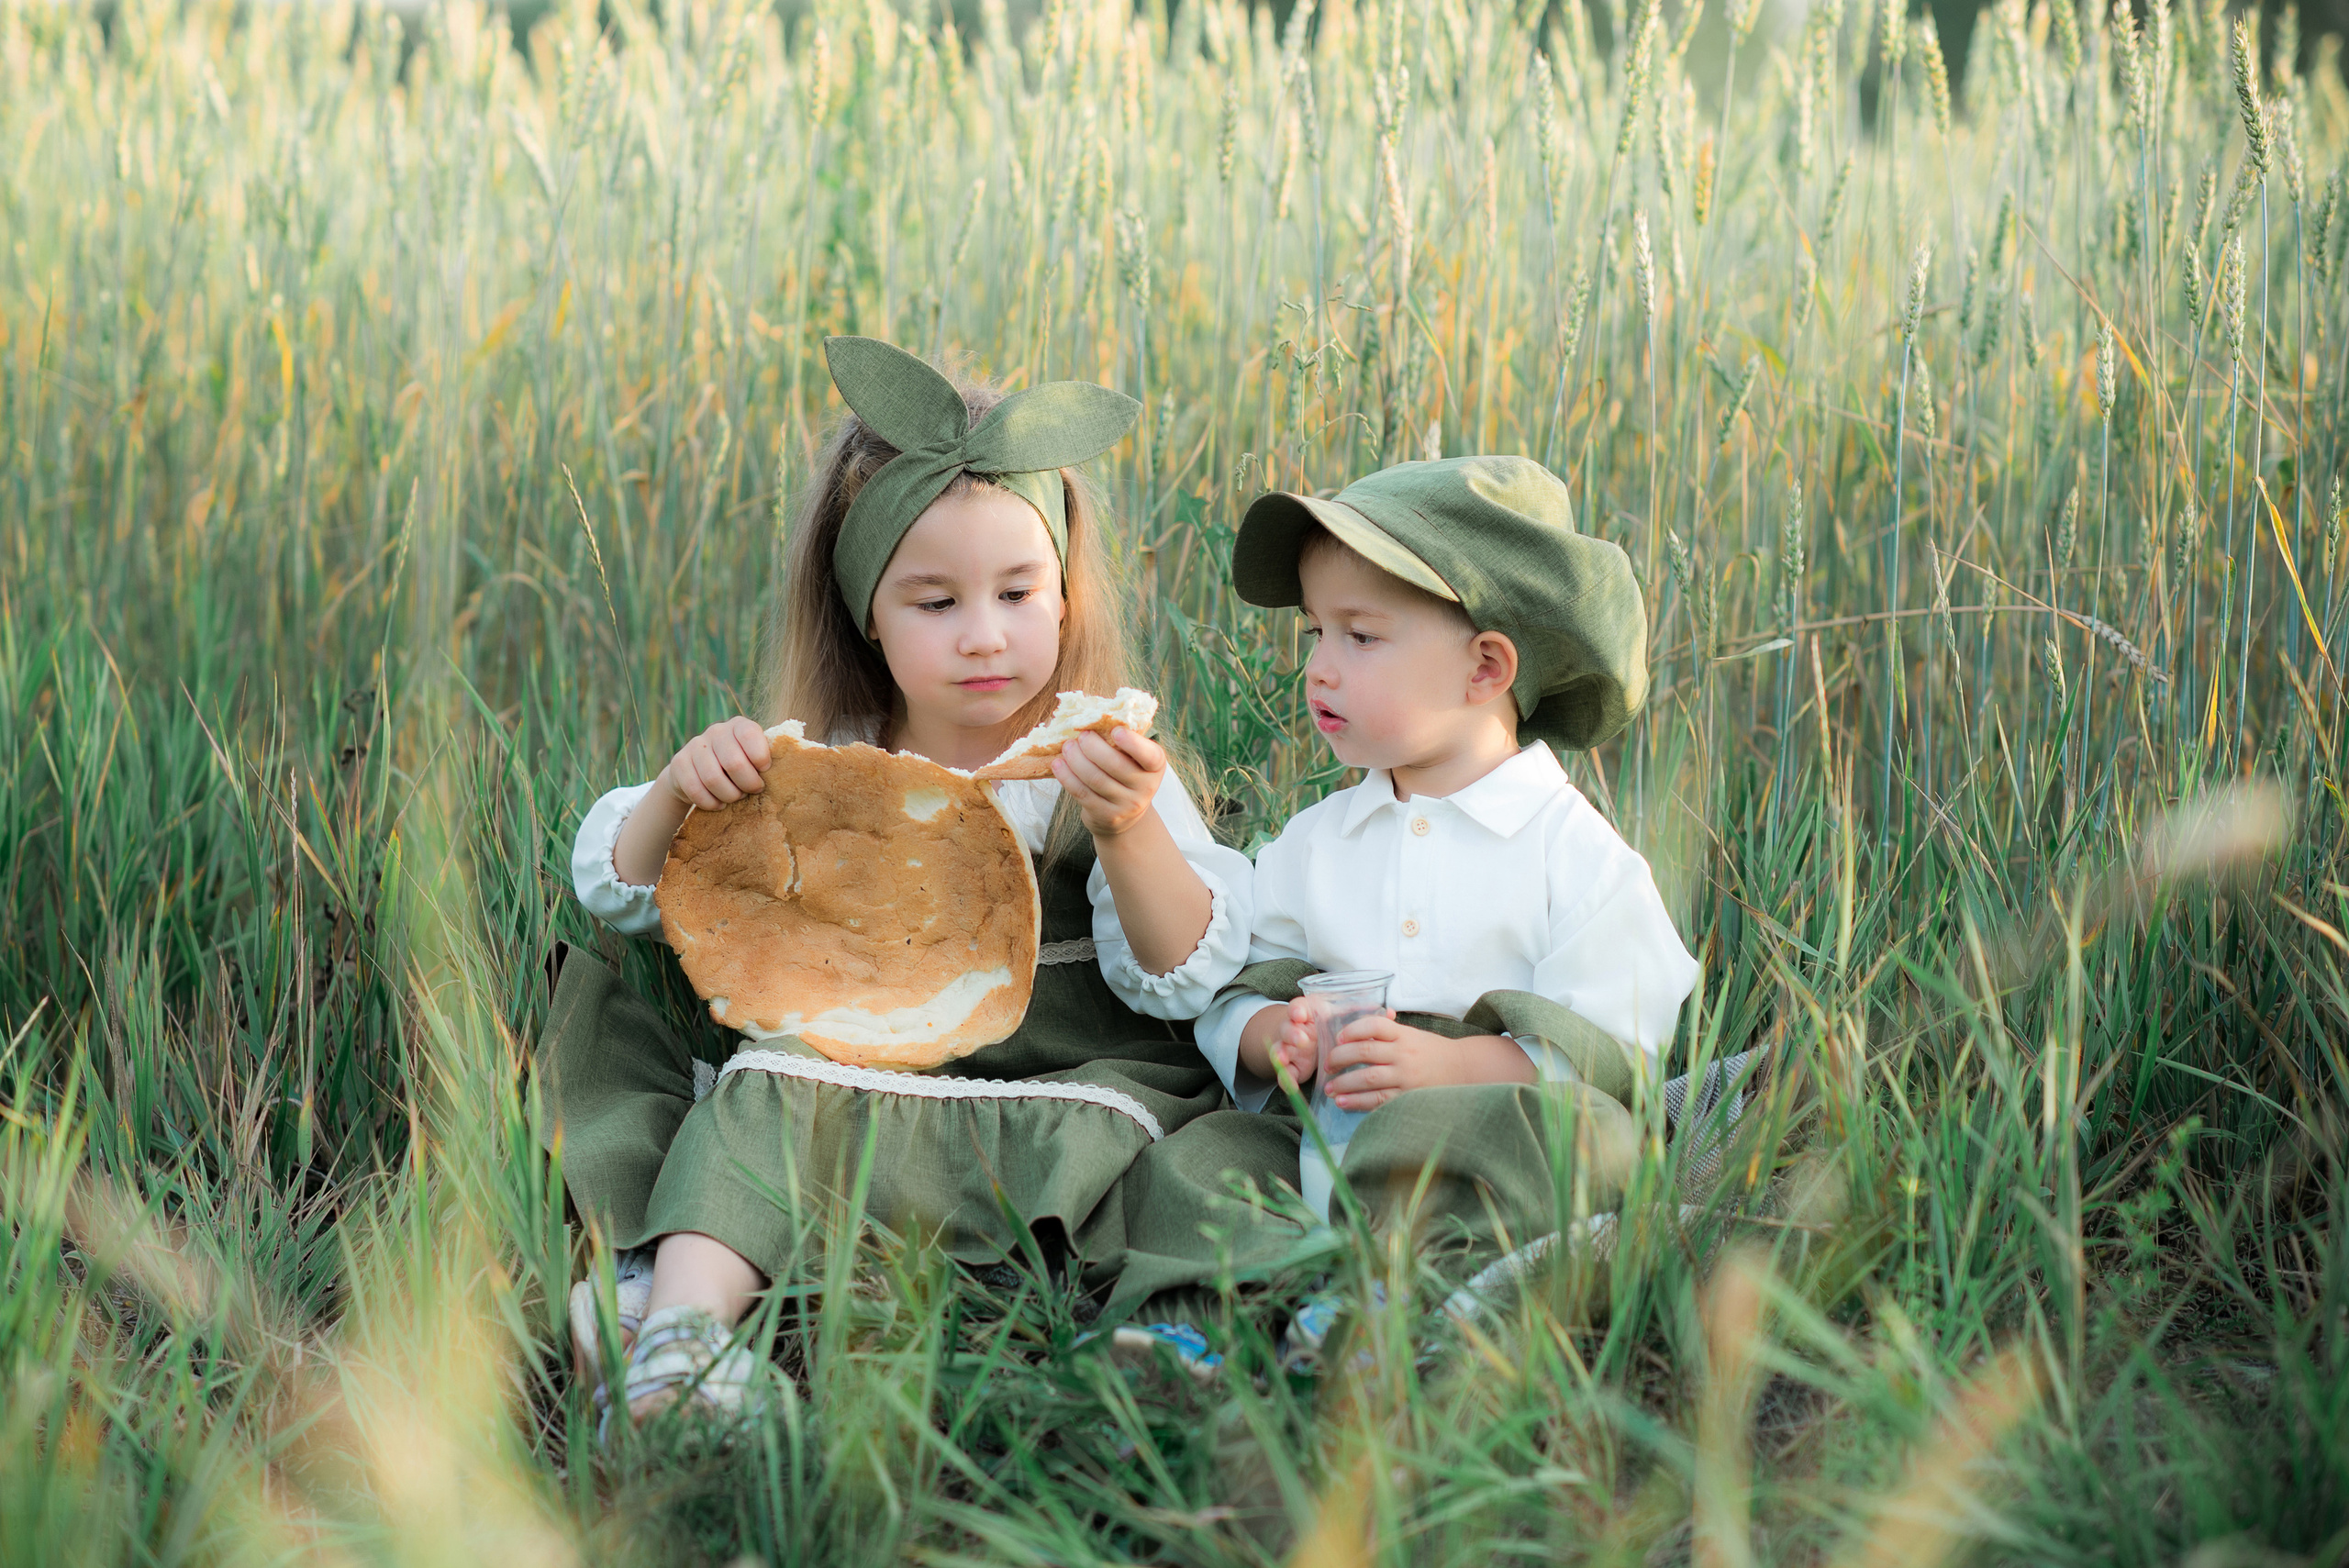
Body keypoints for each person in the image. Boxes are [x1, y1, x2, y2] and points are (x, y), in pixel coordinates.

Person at [543, 337, 1270, 1426]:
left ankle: (1145, 1335)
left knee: (1191, 1148)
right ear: (864, 615)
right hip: (859, 1062)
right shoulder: (832, 767)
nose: (986, 637)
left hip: (1062, 1080)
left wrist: (1126, 829)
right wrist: (678, 795)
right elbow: (630, 891)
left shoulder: (1101, 767)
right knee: (764, 1083)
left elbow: (1180, 976)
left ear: (1066, 598)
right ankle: (681, 1344)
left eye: (1019, 591)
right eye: (935, 603)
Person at [1189, 454, 1702, 1268]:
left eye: (1360, 635)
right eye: (1316, 632)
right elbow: (1239, 977)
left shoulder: (1574, 856)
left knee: (1588, 1139)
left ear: (1485, 669)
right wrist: (1272, 1038)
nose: (1320, 665)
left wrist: (1455, 1064)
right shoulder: (1315, 843)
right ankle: (1226, 1308)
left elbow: (1612, 1044)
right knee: (1200, 1157)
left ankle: (1445, 1286)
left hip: (1487, 1125)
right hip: (1332, 1127)